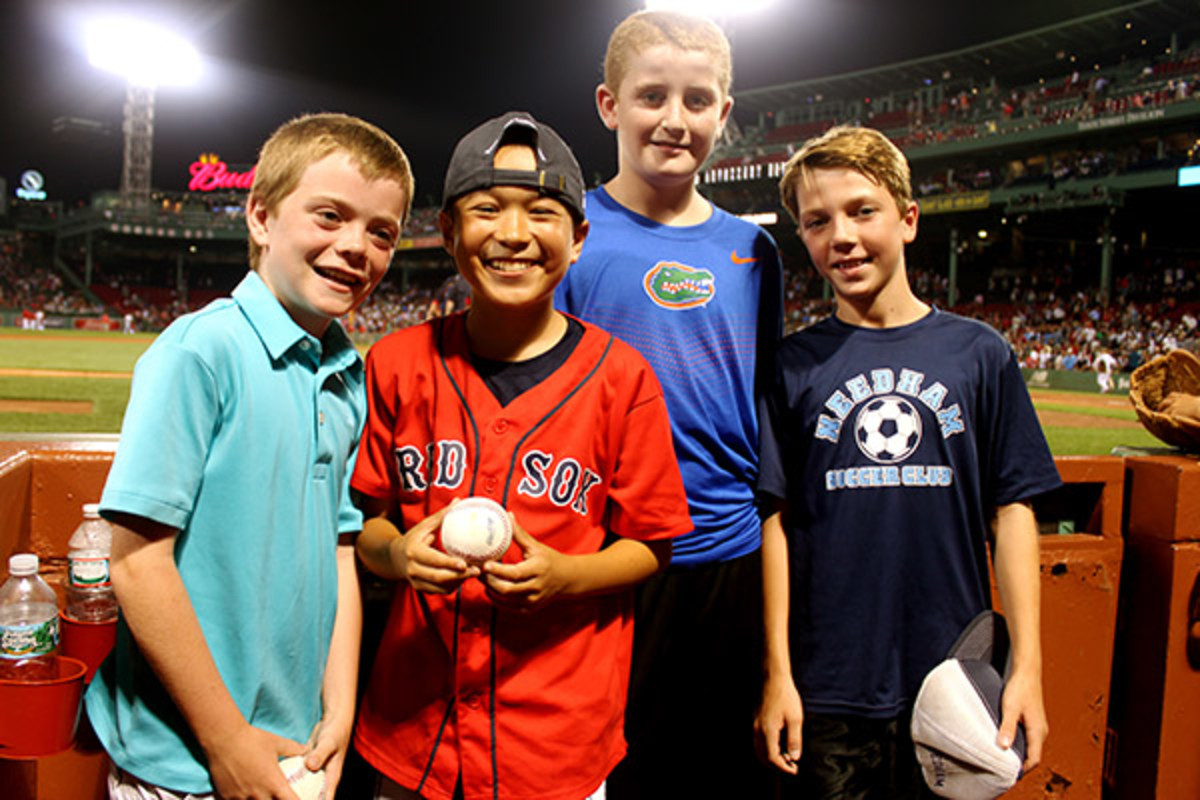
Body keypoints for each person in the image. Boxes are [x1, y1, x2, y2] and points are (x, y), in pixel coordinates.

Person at [350, 111, 692, 800]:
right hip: (415, 730)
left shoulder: (623, 379)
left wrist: (566, 575)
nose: (513, 234)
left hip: (556, 734)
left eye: (541, 212)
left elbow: (652, 547)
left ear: (579, 237)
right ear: (448, 231)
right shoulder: (395, 363)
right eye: (486, 210)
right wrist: (396, 555)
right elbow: (367, 524)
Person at [86, 112, 413, 799]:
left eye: (380, 231)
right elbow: (137, 563)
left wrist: (341, 708)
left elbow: (340, 550)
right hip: (184, 760)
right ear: (260, 218)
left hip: (296, 745)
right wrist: (225, 741)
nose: (355, 246)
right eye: (329, 216)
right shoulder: (199, 351)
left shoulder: (344, 373)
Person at [755, 124, 1059, 798]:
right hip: (827, 683)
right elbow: (772, 521)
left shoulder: (980, 354)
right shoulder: (790, 366)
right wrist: (778, 670)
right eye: (816, 221)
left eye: (863, 210)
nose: (841, 235)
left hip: (955, 676)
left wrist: (1028, 668)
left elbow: (1012, 511)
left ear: (908, 218)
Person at [554, 11, 783, 797]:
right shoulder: (570, 236)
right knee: (610, 770)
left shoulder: (754, 249)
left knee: (714, 772)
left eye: (697, 100)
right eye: (652, 96)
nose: (674, 120)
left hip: (727, 556)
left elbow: (759, 397)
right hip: (605, 557)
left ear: (724, 113)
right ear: (609, 105)